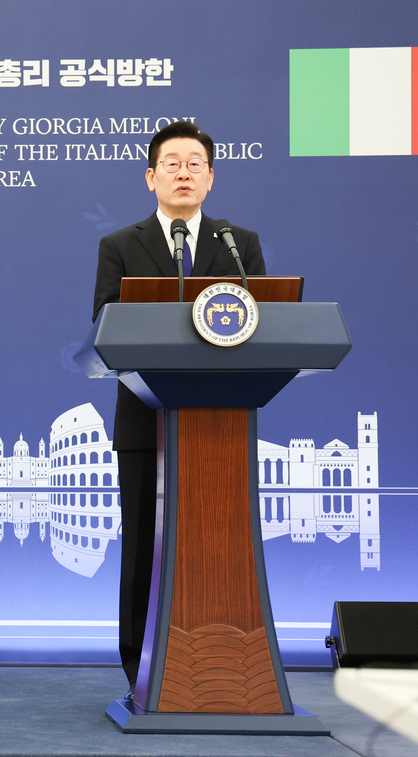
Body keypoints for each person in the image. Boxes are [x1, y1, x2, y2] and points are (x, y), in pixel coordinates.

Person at [92, 120, 265, 698]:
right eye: (172, 163)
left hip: (221, 427)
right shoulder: (119, 246)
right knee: (145, 548)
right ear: (151, 177)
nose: (184, 172)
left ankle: (221, 666)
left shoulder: (240, 244)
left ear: (211, 178)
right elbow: (104, 332)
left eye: (196, 163)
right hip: (145, 424)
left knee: (218, 547)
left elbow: (262, 326)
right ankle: (141, 671)